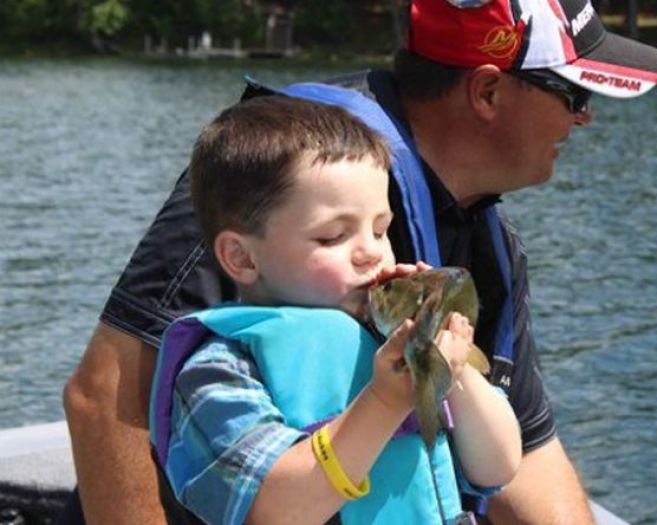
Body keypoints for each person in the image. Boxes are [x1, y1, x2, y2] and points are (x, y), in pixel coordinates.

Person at [62, 0, 657, 523]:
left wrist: (455, 374)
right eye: (575, 94)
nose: (585, 116)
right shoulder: (290, 168)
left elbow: (523, 458)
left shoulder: (491, 246)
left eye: (381, 228)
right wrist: (382, 403)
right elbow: (104, 398)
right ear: (487, 92)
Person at [148, 95, 522, 525]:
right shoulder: (220, 371)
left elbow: (498, 466)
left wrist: (448, 365)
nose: (371, 252)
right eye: (332, 237)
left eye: (381, 230)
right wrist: (384, 402)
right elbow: (274, 510)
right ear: (242, 258)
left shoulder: (393, 344)